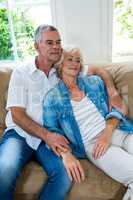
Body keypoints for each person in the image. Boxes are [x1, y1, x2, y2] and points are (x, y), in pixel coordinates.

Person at [0, 24, 126, 200]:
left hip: (51, 138)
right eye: (49, 42)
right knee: (4, 170)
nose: (56, 46)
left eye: (58, 42)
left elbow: (98, 71)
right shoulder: (22, 73)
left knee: (64, 176)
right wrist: (48, 137)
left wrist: (112, 92)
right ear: (36, 46)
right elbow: (17, 115)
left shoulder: (63, 68)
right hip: (20, 135)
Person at [43, 47, 133, 200]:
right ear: (60, 64)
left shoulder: (94, 83)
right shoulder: (52, 98)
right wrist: (65, 154)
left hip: (118, 130)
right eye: (70, 59)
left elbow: (120, 109)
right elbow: (52, 132)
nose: (75, 63)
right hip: (93, 144)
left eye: (78, 60)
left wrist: (108, 131)